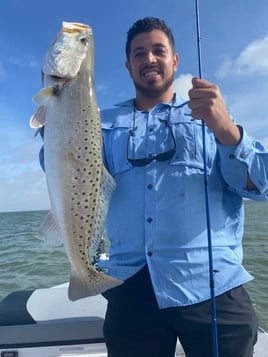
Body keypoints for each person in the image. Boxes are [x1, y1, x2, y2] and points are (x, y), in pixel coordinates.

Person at [97, 17, 268, 357]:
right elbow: (69, 176)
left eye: (158, 50)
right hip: (130, 284)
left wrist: (227, 129)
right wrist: (60, 119)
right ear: (128, 65)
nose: (149, 59)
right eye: (139, 53)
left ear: (175, 61)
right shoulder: (102, 123)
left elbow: (259, 186)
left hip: (213, 284)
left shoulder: (210, 112)